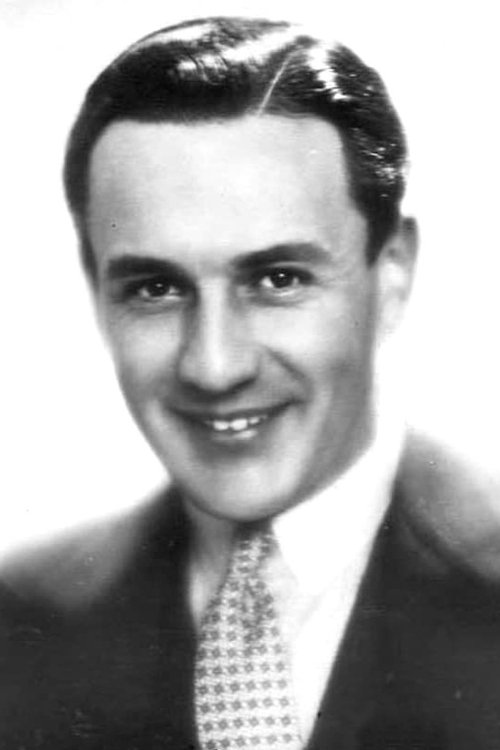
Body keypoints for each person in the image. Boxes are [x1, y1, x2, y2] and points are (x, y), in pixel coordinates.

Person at [1, 15, 500, 750]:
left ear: (392, 272)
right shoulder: (18, 621)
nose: (214, 366)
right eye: (155, 288)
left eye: (278, 279)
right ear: (95, 291)